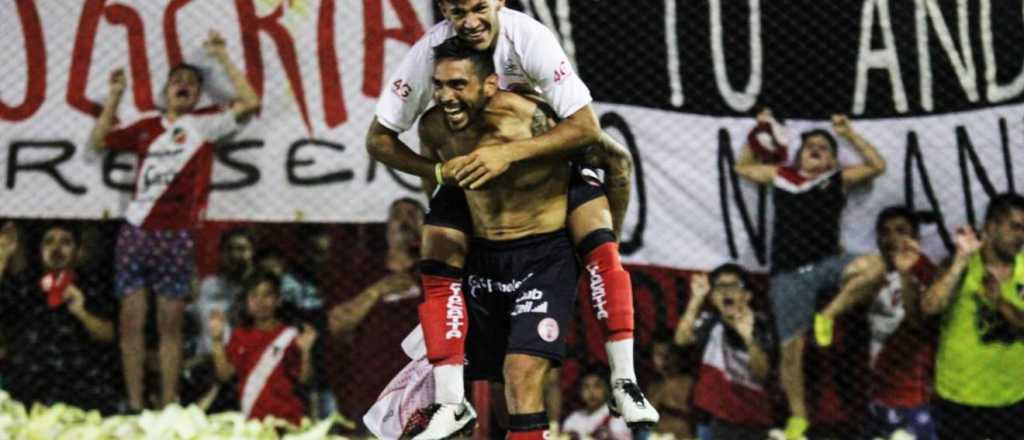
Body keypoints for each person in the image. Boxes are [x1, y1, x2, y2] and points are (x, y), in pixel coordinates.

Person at [367, 0, 655, 433]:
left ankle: (625, 380)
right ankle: (450, 402)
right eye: (456, 11)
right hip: (485, 227)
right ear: (443, 8)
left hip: (547, 179)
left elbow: (584, 128)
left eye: (479, 7)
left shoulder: (531, 40)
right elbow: (380, 138)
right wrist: (441, 174)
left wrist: (508, 154)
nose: (469, 22)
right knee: (442, 245)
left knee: (609, 200)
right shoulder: (430, 63)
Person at [403, 39, 591, 440]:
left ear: (489, 85)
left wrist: (608, 241)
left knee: (523, 374)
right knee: (503, 395)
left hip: (542, 256)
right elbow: (434, 192)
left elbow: (607, 156)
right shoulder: (433, 127)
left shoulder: (537, 119)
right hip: (484, 259)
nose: (445, 97)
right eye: (438, 85)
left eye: (458, 85)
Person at [89, 31, 260, 411]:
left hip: (177, 236)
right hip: (136, 230)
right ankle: (135, 405)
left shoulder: (204, 125)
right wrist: (115, 95)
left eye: (192, 83)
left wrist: (221, 55)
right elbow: (101, 140)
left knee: (171, 325)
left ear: (198, 95)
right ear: (165, 91)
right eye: (177, 80)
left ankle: (167, 406)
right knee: (131, 323)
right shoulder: (147, 125)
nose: (183, 85)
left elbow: (250, 101)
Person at [734, 110, 887, 439]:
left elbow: (877, 166)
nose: (817, 148)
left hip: (828, 266)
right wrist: (759, 129)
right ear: (799, 155)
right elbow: (742, 167)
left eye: (824, 147)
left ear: (832, 160)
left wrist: (847, 134)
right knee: (792, 352)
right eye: (810, 145)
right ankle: (799, 417)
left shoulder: (834, 179)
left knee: (875, 267)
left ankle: (827, 316)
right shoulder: (781, 175)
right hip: (788, 275)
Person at [921, 193, 1024, 440]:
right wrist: (960, 261)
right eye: (1015, 226)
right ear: (990, 226)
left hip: (1013, 398)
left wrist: (999, 302)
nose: (1021, 236)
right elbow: (929, 307)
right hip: (959, 398)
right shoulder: (960, 264)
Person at [0, 221, 119, 414]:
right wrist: (2, 258)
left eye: (65, 242)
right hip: (29, 384)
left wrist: (82, 313)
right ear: (39, 251)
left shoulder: (92, 286)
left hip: (81, 384)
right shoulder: (24, 285)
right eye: (48, 242)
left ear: (79, 252)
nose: (56, 249)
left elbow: (111, 336)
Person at [839, 207, 937, 440]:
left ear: (916, 237)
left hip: (914, 395)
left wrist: (905, 276)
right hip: (872, 394)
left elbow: (920, 325)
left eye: (901, 231)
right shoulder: (868, 275)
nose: (892, 238)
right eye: (885, 232)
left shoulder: (929, 274)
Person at [674, 264, 775, 440]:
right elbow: (681, 339)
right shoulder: (710, 321)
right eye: (721, 287)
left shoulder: (762, 325)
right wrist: (696, 299)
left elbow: (762, 375)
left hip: (752, 420)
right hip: (712, 417)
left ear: (747, 295)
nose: (727, 293)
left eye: (734, 287)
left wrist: (749, 338)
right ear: (713, 297)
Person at [208, 272, 317, 425]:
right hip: (253, 422)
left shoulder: (290, 336)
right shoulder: (240, 335)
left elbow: (305, 379)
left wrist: (306, 351)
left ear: (278, 300)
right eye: (254, 296)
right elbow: (225, 374)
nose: (260, 302)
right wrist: (216, 341)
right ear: (246, 301)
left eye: (267, 295)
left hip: (288, 420)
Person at [561, 365, 631, 440]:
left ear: (607, 389)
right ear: (580, 391)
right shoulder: (574, 418)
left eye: (597, 386)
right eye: (586, 386)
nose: (591, 392)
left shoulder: (616, 418)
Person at [646, 335, 695, 439]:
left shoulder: (689, 384)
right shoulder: (653, 387)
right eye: (658, 355)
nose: (664, 360)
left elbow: (689, 424)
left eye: (668, 354)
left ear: (677, 355)